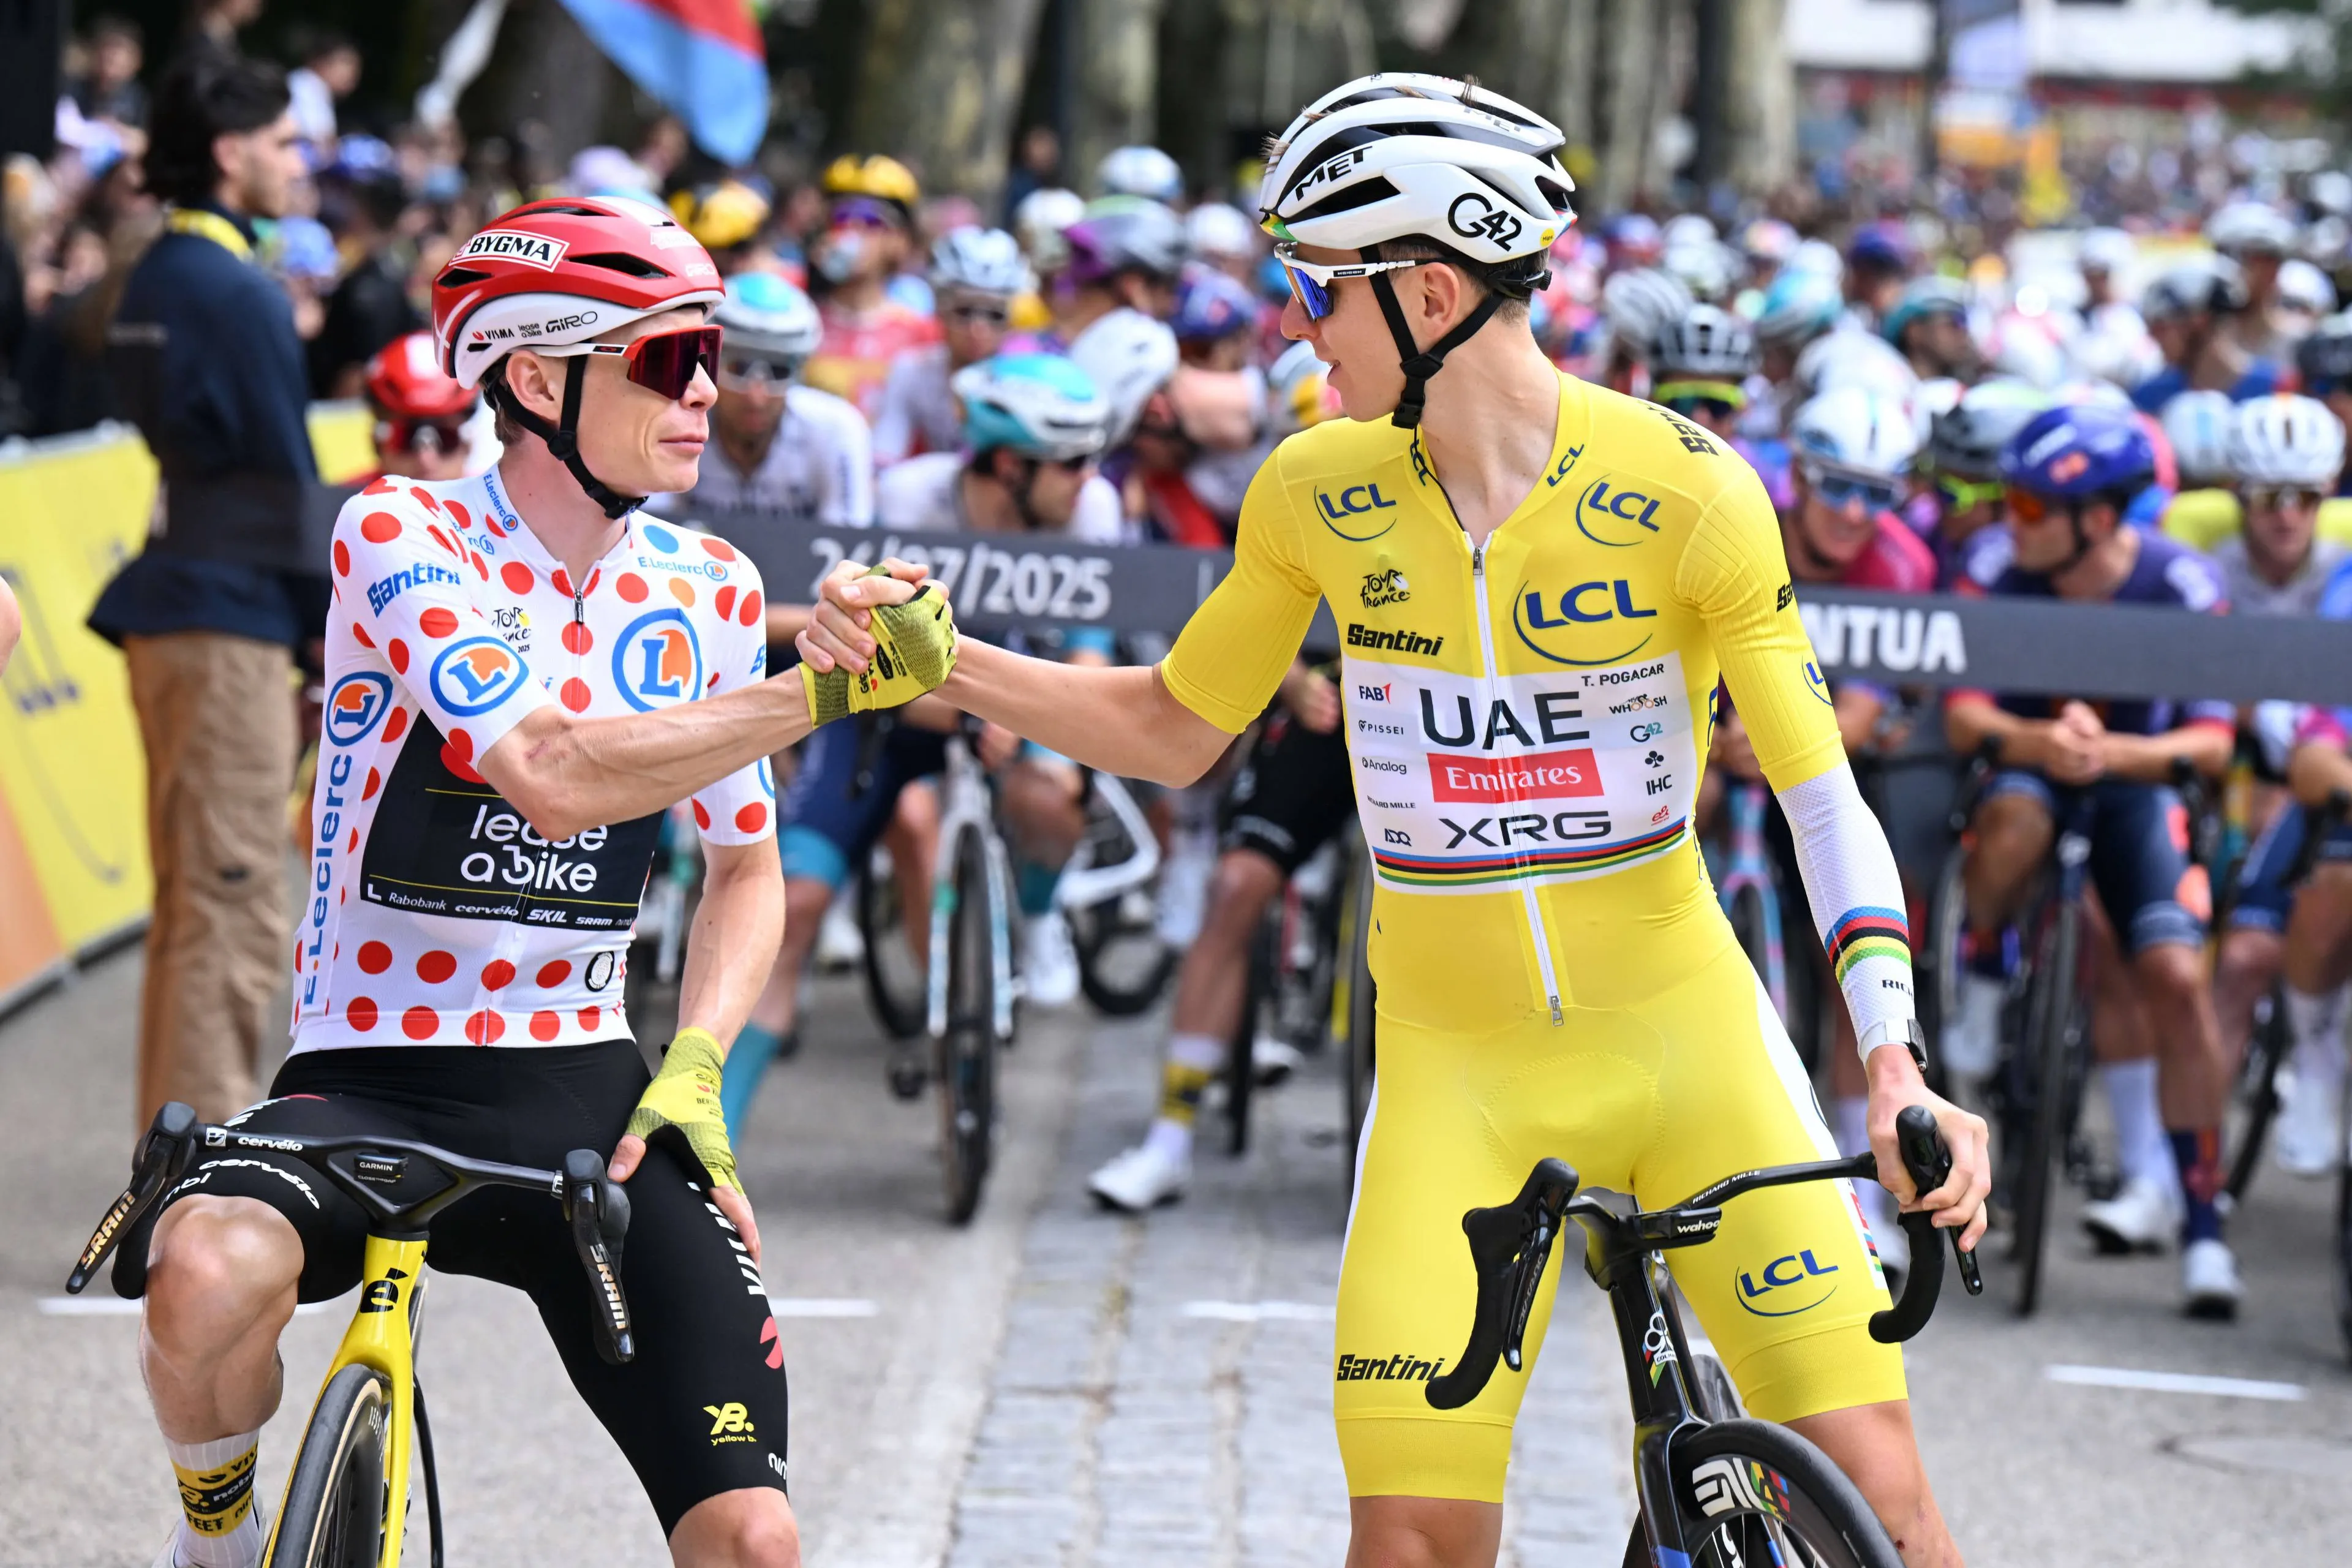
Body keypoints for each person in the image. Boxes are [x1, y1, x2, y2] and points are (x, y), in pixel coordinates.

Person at [804, 74, 1988, 1567]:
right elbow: (1176, 726)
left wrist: (1890, 1064)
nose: (1297, 324)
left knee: (1887, 1506)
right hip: (1456, 1078)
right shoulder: (1313, 491)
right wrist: (947, 656)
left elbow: (1823, 801)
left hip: (1689, 1040)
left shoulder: (1686, 488)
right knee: (1414, 1542)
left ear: (1429, 289)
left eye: (1317, 287)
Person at [124, 191, 958, 1568]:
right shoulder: (400, 531)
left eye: (715, 360)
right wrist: (814, 693)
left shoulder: (706, 583)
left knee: (757, 1538)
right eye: (670, 359)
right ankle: (216, 1534)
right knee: (202, 1265)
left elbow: (746, 866)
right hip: (368, 1066)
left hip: (581, 1079)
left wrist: (695, 1063)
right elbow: (552, 771)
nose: (708, 392)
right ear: (534, 375)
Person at [721, 354, 1118, 1129]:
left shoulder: (1090, 507)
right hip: (896, 714)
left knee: (1052, 790)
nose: (1087, 477)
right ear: (1009, 464)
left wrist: (1032, 718)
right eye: (1070, 460)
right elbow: (861, 650)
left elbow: (1090, 651)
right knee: (792, 905)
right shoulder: (910, 500)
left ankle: (1039, 920)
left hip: (1020, 705)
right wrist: (964, 714)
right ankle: (706, 1134)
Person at [1945, 404, 2239, 1313]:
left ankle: (2204, 1226)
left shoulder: (2182, 583)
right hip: (2033, 768)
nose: (2008, 523)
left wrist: (2114, 755)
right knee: (2017, 823)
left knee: (2176, 981)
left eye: (2032, 510)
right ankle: (1984, 993)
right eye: (2008, 503)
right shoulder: (1997, 568)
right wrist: (2038, 738)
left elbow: (2215, 742)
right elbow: (1963, 716)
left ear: (2099, 520)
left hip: (2134, 782)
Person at [86, 57, 325, 1129]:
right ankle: (201, 1182)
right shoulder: (232, 287)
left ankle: (171, 1173)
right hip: (224, 617)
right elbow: (287, 484)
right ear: (231, 154)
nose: (295, 162)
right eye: (283, 142)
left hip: (183, 603)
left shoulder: (163, 273)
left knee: (198, 906)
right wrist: (332, 636)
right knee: (231, 906)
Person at [656, 271, 872, 554]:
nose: (757, 397)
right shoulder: (673, 418)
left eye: (779, 372)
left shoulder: (837, 428)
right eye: (738, 370)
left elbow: (848, 552)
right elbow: (649, 529)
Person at [800, 155, 937, 421]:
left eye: (871, 220)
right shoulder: (797, 318)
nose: (852, 229)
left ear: (900, 240)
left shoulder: (922, 334)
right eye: (841, 216)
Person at [873, 227, 1024, 464]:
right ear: (940, 311)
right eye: (965, 311)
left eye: (994, 314)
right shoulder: (913, 370)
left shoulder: (1025, 379)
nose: (979, 329)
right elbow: (885, 453)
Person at [2133, 257, 2283, 414]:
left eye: (2160, 326)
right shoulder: (2149, 396)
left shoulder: (2276, 389)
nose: (2152, 336)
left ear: (2200, 321)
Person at [361, 328, 478, 482]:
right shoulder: (339, 502)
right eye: (406, 438)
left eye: (446, 438)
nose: (426, 461)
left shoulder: (502, 502)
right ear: (377, 446)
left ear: (467, 445)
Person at [1882, 275, 1980, 383]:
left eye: (1964, 323)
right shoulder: (1886, 391)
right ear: (1915, 332)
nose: (1963, 332)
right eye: (1953, 323)